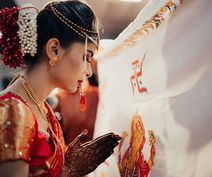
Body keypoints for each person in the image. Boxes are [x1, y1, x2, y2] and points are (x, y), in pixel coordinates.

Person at [0, 1, 121, 177]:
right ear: (54, 49)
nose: (88, 71)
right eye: (86, 57)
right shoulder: (13, 111)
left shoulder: (41, 107)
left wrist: (67, 169)